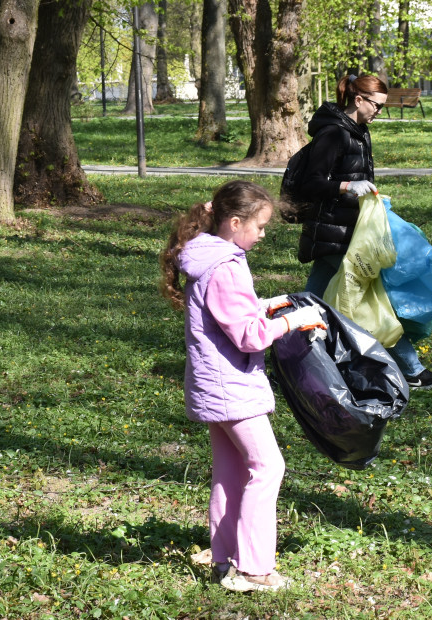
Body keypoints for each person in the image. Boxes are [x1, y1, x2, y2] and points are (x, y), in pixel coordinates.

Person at [159, 180, 326, 592]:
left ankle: (224, 560)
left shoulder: (207, 255)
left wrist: (270, 305)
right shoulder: (226, 267)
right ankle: (253, 569)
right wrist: (293, 321)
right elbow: (249, 336)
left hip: (213, 384)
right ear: (235, 223)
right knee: (268, 467)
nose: (264, 234)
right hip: (231, 387)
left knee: (231, 471)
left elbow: (229, 312)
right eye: (261, 226)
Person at [296, 74, 432, 390]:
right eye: (376, 105)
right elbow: (310, 182)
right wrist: (347, 186)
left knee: (312, 304)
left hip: (352, 230)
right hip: (336, 232)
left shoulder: (359, 132)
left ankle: (290, 366)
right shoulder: (334, 134)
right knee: (373, 301)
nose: (379, 111)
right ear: (358, 99)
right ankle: (413, 369)